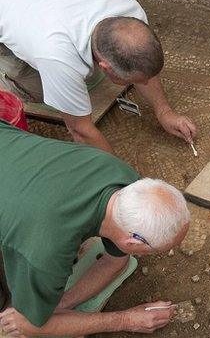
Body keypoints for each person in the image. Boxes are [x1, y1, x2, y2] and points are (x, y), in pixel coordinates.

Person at [0, 119, 191, 337]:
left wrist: (61, 303)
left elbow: (116, 260)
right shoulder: (48, 250)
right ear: (133, 243)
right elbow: (29, 326)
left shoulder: (122, 179)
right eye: (156, 251)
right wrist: (126, 319)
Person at [0, 0, 197, 154]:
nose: (144, 83)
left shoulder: (131, 15)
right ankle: (6, 78)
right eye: (136, 80)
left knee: (79, 84)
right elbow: (80, 131)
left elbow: (143, 67)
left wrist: (164, 112)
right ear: (105, 67)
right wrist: (124, 183)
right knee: (42, 90)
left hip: (35, 1)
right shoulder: (56, 56)